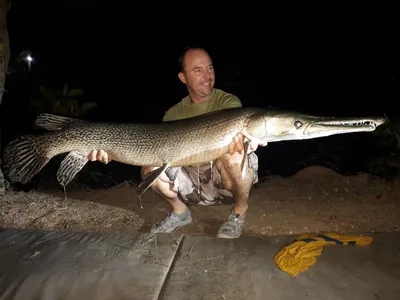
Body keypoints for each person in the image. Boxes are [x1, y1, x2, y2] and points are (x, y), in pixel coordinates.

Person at [89, 45, 262, 239]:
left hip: (224, 185)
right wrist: (109, 152)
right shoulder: (173, 114)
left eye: (210, 68)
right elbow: (159, 151)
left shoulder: (228, 103)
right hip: (191, 186)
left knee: (237, 153)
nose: (208, 75)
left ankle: (239, 211)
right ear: (183, 78)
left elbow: (240, 133)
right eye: (198, 70)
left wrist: (248, 143)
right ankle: (180, 213)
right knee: (150, 168)